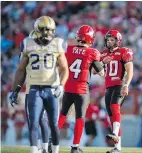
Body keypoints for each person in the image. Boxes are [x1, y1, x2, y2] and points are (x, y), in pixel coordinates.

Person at [9, 16, 69, 153]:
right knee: (33, 122)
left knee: (53, 124)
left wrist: (61, 85)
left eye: (50, 30)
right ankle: (34, 150)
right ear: (37, 30)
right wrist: (15, 90)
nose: (47, 34)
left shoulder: (58, 44)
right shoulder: (28, 43)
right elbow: (21, 70)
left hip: (52, 89)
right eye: (44, 30)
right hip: (34, 89)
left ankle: (54, 151)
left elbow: (65, 68)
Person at [57, 25, 104, 153]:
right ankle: (75, 147)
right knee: (80, 118)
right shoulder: (93, 52)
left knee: (62, 115)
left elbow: (61, 67)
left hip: (67, 88)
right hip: (82, 90)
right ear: (90, 38)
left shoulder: (69, 49)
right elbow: (101, 73)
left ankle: (52, 142)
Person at [100, 30, 134, 153]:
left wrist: (126, 84)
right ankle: (117, 148)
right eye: (108, 40)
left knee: (115, 107)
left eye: (112, 40)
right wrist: (101, 63)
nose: (109, 42)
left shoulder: (124, 51)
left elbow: (130, 70)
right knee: (111, 117)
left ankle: (114, 133)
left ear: (118, 41)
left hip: (119, 84)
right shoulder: (103, 54)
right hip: (108, 86)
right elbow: (96, 71)